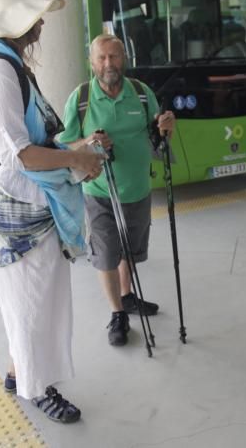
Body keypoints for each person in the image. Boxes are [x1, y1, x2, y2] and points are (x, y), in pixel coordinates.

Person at [0, 0, 104, 424]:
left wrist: (75, 149)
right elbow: (18, 153)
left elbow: (33, 139)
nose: (42, 24)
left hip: (32, 207)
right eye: (37, 16)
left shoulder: (10, 67)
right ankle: (36, 387)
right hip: (18, 210)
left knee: (34, 301)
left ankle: (17, 371)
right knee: (31, 306)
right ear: (19, 21)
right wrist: (74, 162)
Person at [58, 34, 175, 347]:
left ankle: (127, 296)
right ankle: (117, 314)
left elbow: (156, 131)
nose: (108, 64)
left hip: (138, 189)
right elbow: (65, 144)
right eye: (102, 58)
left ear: (124, 59)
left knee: (129, 251)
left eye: (114, 57)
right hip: (99, 192)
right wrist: (89, 142)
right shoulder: (81, 98)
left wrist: (165, 126)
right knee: (107, 255)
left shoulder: (140, 92)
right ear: (92, 62)